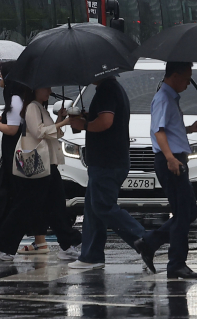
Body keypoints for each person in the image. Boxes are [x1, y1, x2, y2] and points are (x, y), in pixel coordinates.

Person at [65, 75, 153, 271]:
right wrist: (87, 117)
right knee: (92, 208)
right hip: (107, 160)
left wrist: (84, 125)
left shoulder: (107, 90)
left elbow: (106, 122)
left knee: (102, 206)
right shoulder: (112, 89)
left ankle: (144, 239)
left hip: (107, 161)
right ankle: (91, 255)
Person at [0, 85, 83, 260]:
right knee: (26, 206)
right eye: (45, 88)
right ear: (34, 90)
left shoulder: (40, 108)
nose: (49, 91)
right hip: (37, 165)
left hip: (48, 164)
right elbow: (38, 132)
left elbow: (51, 132)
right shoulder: (32, 106)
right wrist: (63, 122)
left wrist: (59, 118)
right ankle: (1, 243)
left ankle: (67, 243)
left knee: (55, 206)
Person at [139, 62, 197, 279]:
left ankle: (149, 243)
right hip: (171, 160)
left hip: (176, 158)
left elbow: (170, 129)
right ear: (175, 75)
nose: (188, 84)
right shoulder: (164, 98)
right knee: (183, 213)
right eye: (187, 78)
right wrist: (170, 158)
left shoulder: (170, 98)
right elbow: (158, 132)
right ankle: (175, 263)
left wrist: (190, 129)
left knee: (189, 211)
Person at [0, 77, 45, 253]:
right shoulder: (18, 97)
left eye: (1, 75)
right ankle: (38, 239)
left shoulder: (15, 98)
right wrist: (2, 119)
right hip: (15, 152)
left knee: (7, 194)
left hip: (13, 154)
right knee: (14, 195)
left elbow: (13, 129)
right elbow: (14, 122)